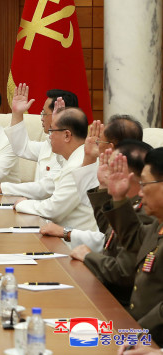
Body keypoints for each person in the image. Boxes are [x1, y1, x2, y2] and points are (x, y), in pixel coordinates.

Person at [62, 144, 153, 306]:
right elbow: (108, 231)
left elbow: (123, 273)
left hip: (120, 301)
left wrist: (88, 256)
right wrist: (104, 187)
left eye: (113, 167)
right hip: (106, 289)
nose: (106, 171)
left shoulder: (145, 213)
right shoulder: (129, 205)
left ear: (129, 175)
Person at [100, 148, 163, 345]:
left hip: (151, 339)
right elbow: (134, 238)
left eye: (144, 184)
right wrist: (118, 198)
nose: (140, 192)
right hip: (135, 328)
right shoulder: (158, 224)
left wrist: (135, 335)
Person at [0, 84, 78, 196]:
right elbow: (21, 148)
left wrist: (1, 188)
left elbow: (47, 187)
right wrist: (17, 114)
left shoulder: (71, 152)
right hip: (35, 204)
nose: (41, 118)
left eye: (44, 113)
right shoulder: (48, 145)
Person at [13, 107, 97, 231]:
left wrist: (22, 204)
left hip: (72, 239)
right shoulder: (76, 157)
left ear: (67, 135)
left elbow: (53, 209)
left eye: (52, 131)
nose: (49, 136)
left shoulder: (77, 165)